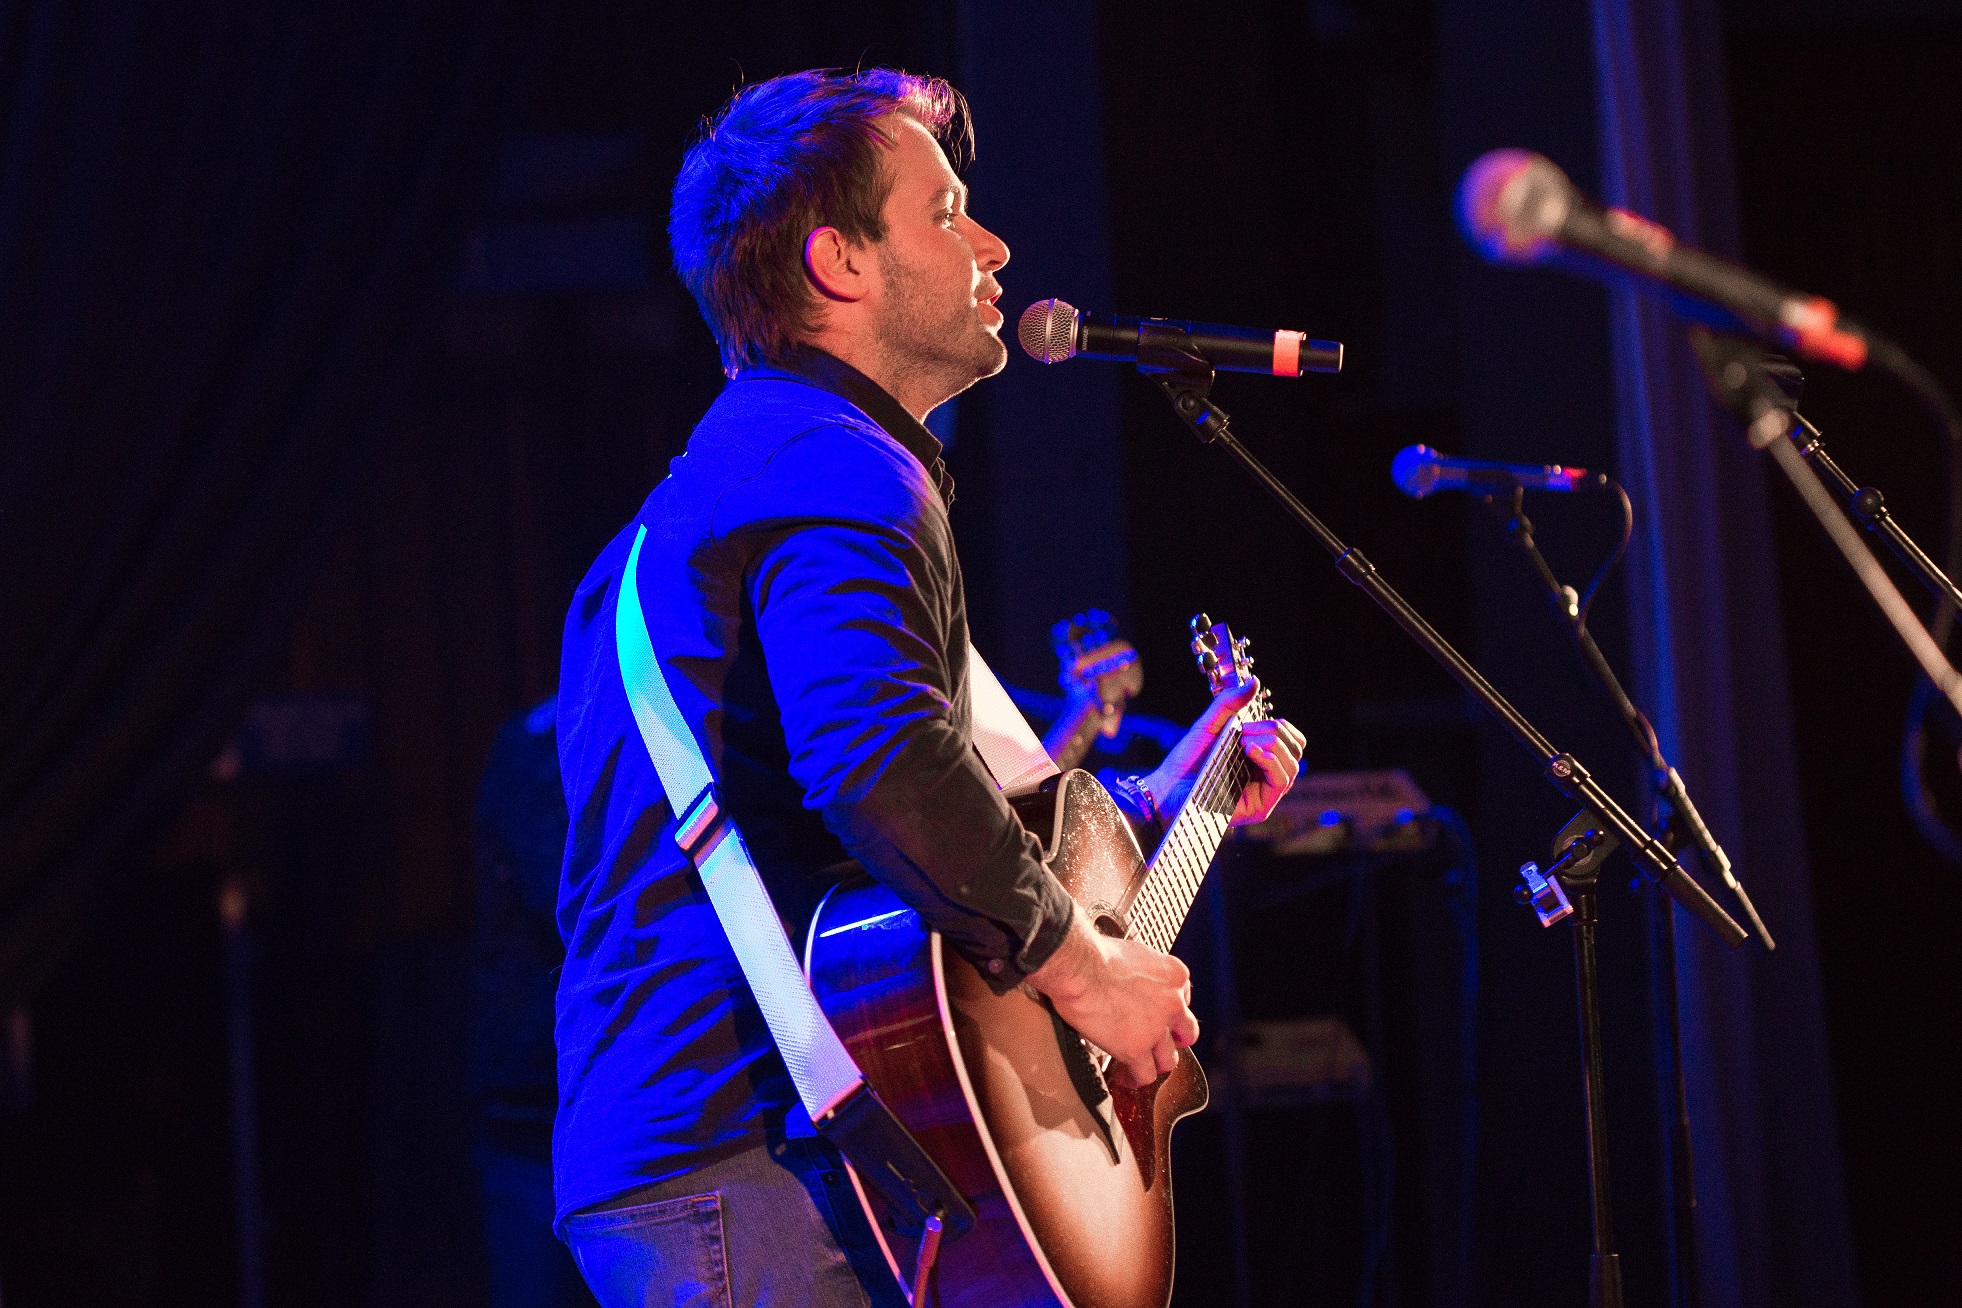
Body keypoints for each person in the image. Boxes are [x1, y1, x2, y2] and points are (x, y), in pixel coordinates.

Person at [550, 68, 1305, 1308]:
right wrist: (1087, 971)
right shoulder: (839, 470)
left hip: (711, 1160)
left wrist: (1168, 806)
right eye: (948, 212)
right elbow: (880, 764)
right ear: (839, 261)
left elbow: (880, 809)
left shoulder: (718, 498)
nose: (994, 246)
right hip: (763, 1165)